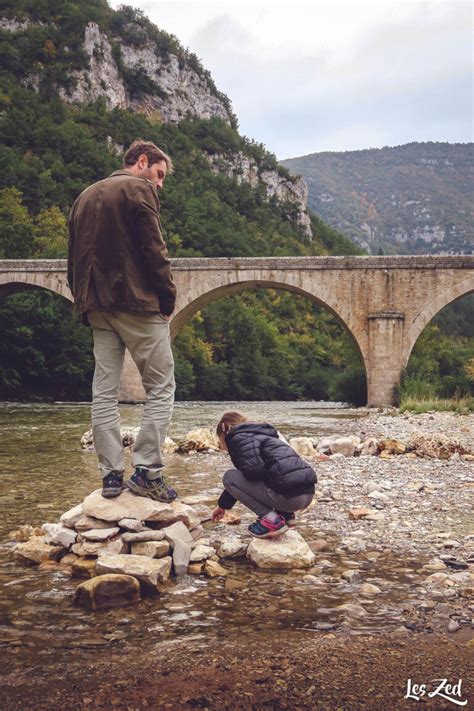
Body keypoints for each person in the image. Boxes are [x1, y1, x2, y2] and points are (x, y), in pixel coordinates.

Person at [68, 139, 177, 502]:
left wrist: (82, 299)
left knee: (103, 391)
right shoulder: (138, 190)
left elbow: (73, 259)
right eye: (158, 174)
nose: (159, 183)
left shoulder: (84, 197)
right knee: (161, 386)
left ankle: (111, 476)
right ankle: (147, 471)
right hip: (137, 303)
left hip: (96, 305)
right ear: (142, 161)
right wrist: (167, 297)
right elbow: (153, 249)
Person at [211, 412, 316, 538]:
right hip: (307, 494)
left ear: (224, 434)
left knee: (229, 476)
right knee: (272, 475)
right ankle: (286, 516)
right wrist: (223, 506)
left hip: (289, 499)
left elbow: (252, 473)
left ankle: (272, 520)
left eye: (220, 441)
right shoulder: (264, 435)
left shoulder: (238, 439)